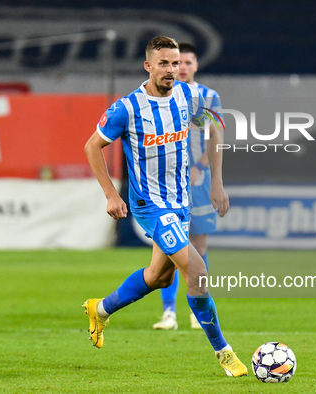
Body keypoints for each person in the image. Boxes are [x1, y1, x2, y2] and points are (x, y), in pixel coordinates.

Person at [82, 36, 247, 377]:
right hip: (151, 206)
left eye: (175, 63)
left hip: (181, 201)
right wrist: (111, 195)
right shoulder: (127, 107)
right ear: (148, 66)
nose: (172, 70)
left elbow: (215, 127)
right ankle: (224, 351)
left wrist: (216, 181)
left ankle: (101, 308)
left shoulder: (187, 96)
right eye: (164, 64)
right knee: (197, 271)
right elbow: (91, 146)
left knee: (158, 276)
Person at [152, 42, 221, 331]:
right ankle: (169, 313)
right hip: (167, 183)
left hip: (198, 182)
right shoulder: (161, 95)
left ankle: (196, 309)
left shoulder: (206, 96)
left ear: (196, 66)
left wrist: (201, 168)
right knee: (167, 247)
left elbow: (215, 135)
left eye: (189, 63)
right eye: (179, 63)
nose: (183, 68)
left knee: (199, 245)